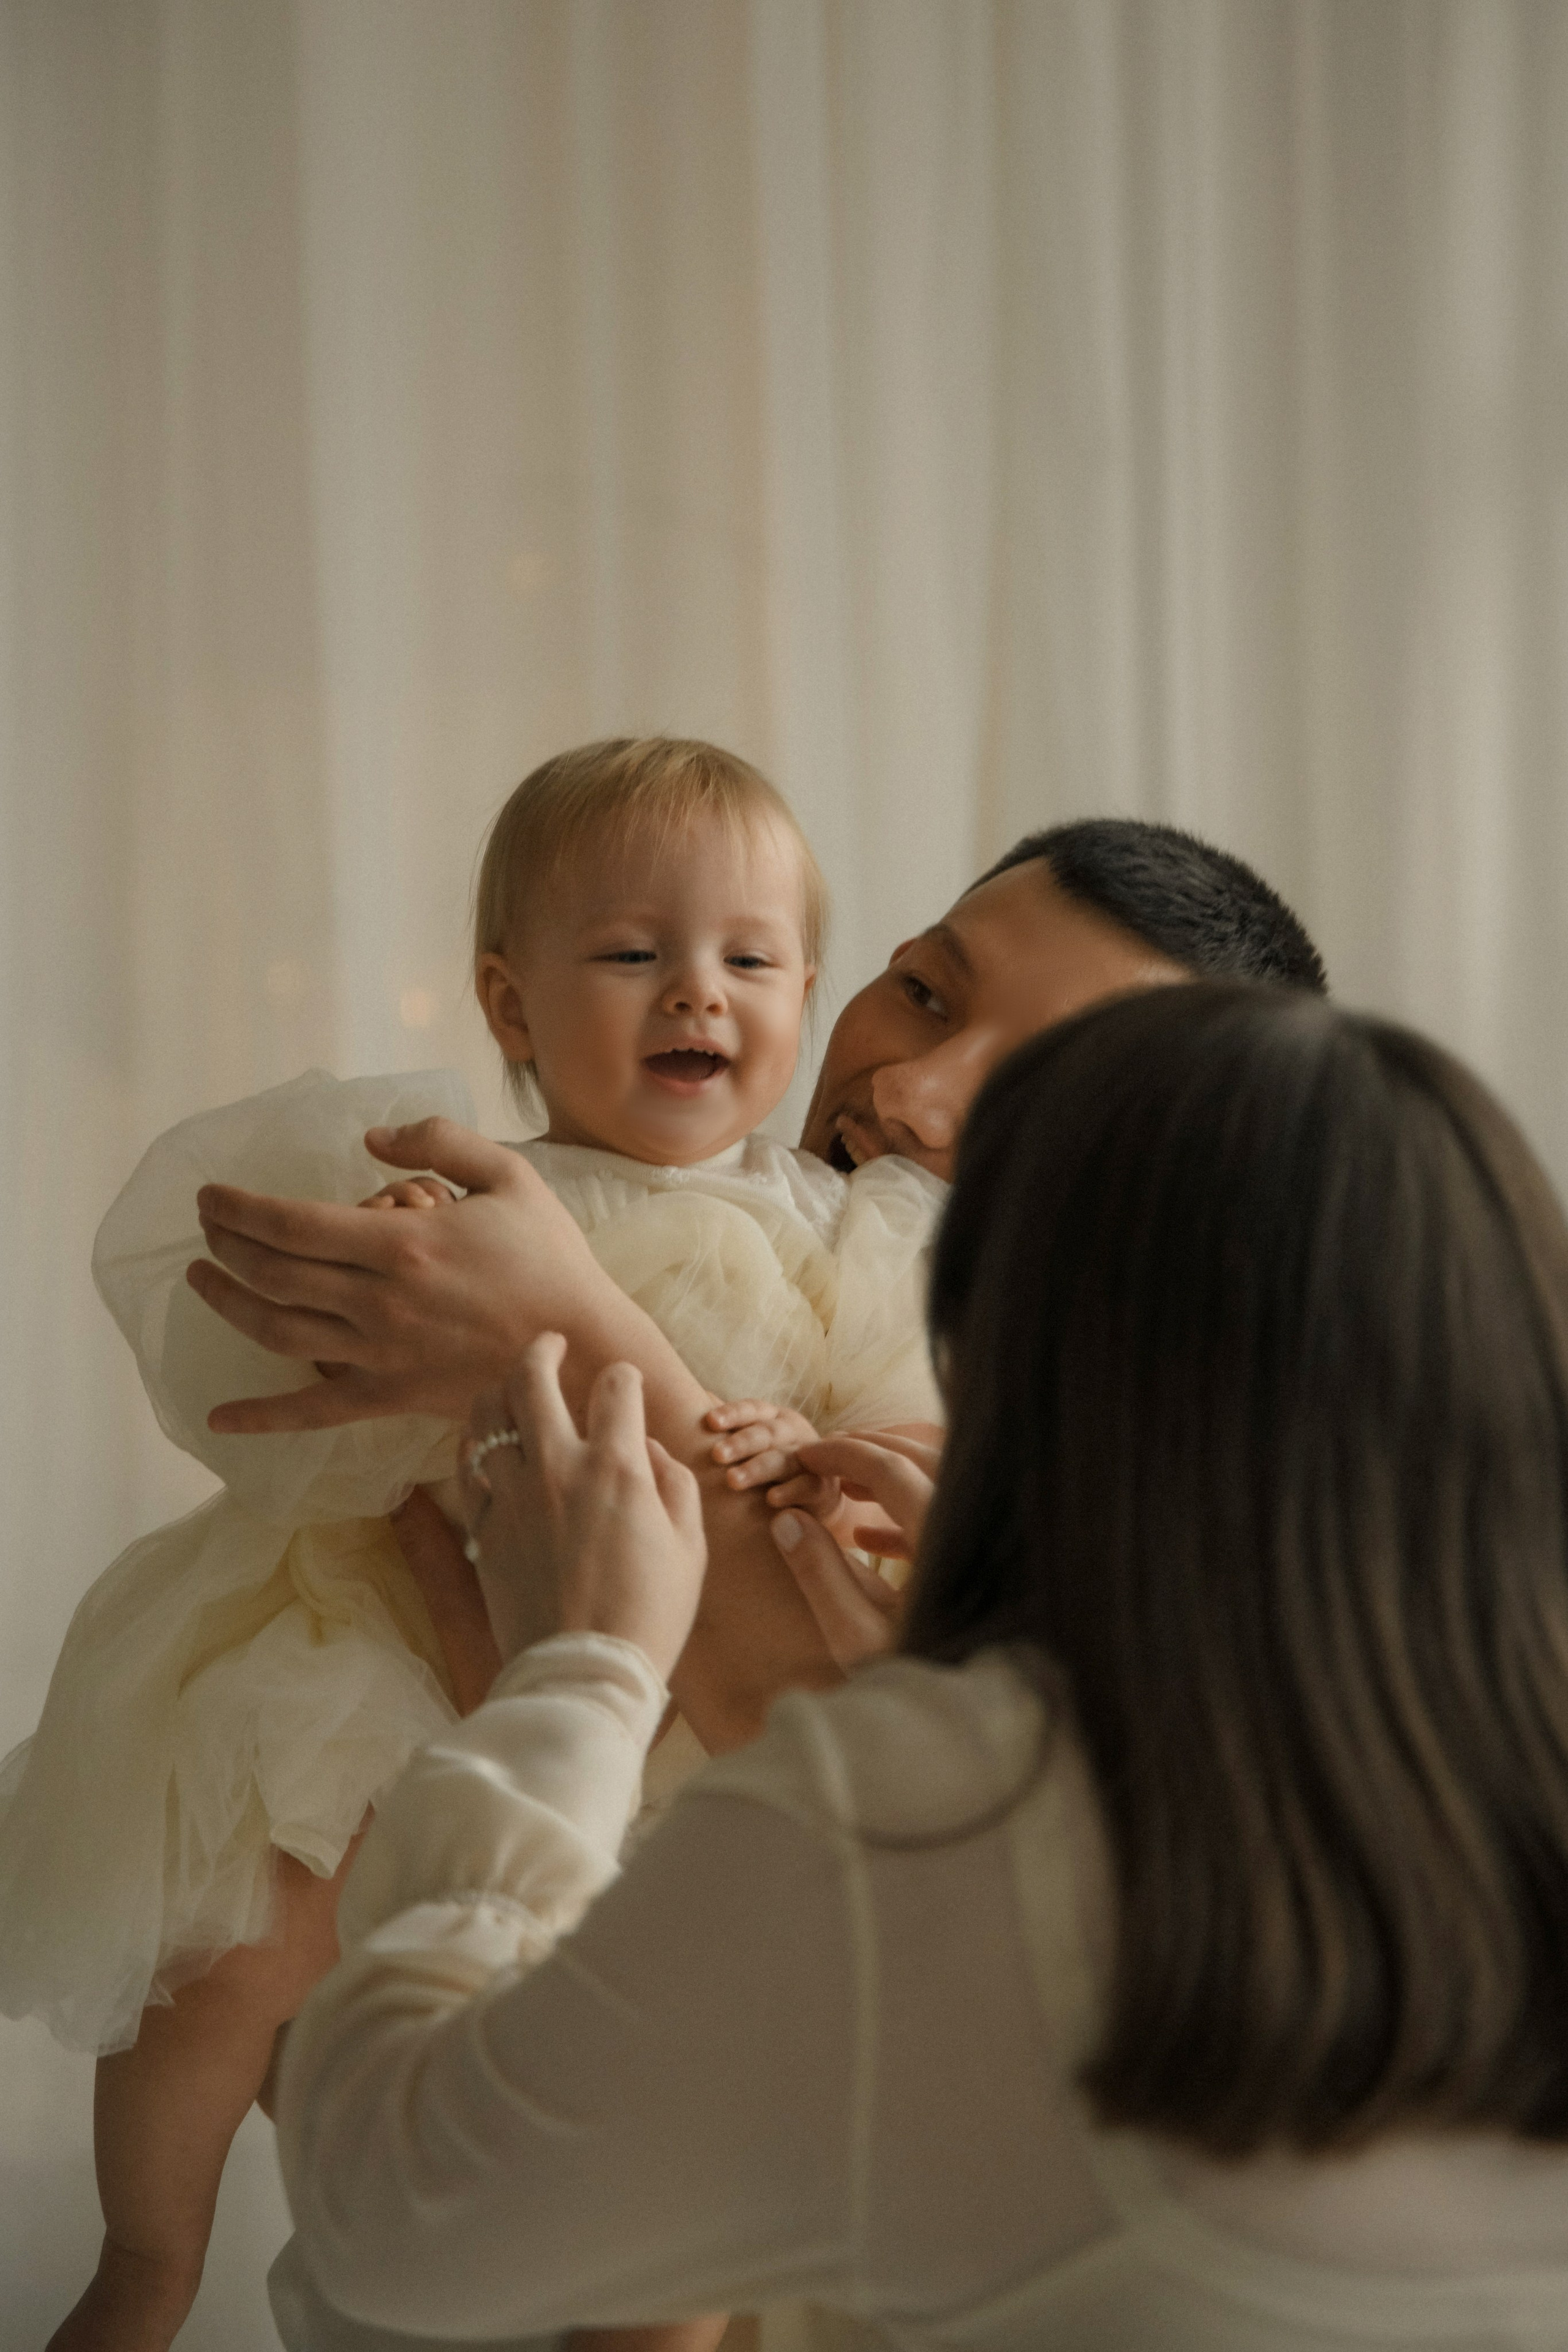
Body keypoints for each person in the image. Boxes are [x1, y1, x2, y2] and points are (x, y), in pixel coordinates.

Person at [274, 985, 1568, 2350]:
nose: (911, 1099)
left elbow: (395, 2219)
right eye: (925, 985)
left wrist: (574, 1680)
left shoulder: (928, 1818)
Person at [5, 737, 941, 2352]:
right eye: (633, 955)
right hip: (387, 1643)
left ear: (804, 985)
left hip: (673, 1718)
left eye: (750, 959)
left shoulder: (842, 1230)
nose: (695, 996)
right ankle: (145, 2257)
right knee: (236, 1943)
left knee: (643, 2123)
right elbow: (313, 1381)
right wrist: (376, 1268)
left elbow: (895, 1452)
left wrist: (803, 1446)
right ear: (510, 1007)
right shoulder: (478, 1188)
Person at [187, 818, 1328, 1749]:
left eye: (1050, 1092)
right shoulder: (714, 1231)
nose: (912, 1097)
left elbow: (837, 1781)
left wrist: (557, 1330)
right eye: (926, 993)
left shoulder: (1152, 1539)